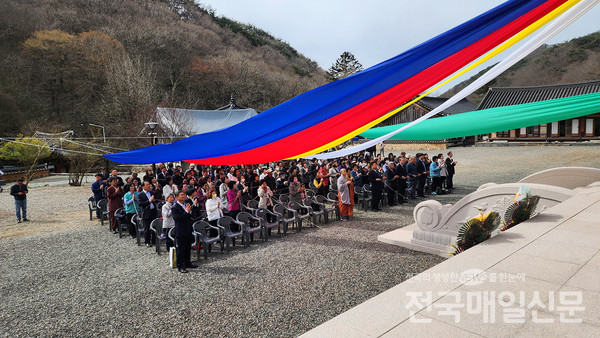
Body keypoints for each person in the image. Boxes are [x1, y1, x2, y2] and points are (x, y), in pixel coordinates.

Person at [171, 191, 197, 273]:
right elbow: (178, 218)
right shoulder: (175, 207)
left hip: (188, 229)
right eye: (181, 195)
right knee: (181, 250)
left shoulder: (186, 205)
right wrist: (186, 212)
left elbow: (190, 216)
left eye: (184, 195)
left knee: (187, 248)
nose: (184, 196)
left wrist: (189, 211)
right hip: (181, 230)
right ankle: (180, 265)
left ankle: (187, 263)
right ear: (177, 197)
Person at [138, 181, 157, 247]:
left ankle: (154, 240)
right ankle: (147, 241)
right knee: (147, 228)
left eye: (149, 184)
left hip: (153, 211)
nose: (148, 186)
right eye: (147, 185)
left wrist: (154, 200)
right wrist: (149, 201)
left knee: (154, 226)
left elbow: (156, 199)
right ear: (143, 186)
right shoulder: (140, 194)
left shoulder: (152, 192)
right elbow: (140, 204)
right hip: (146, 212)